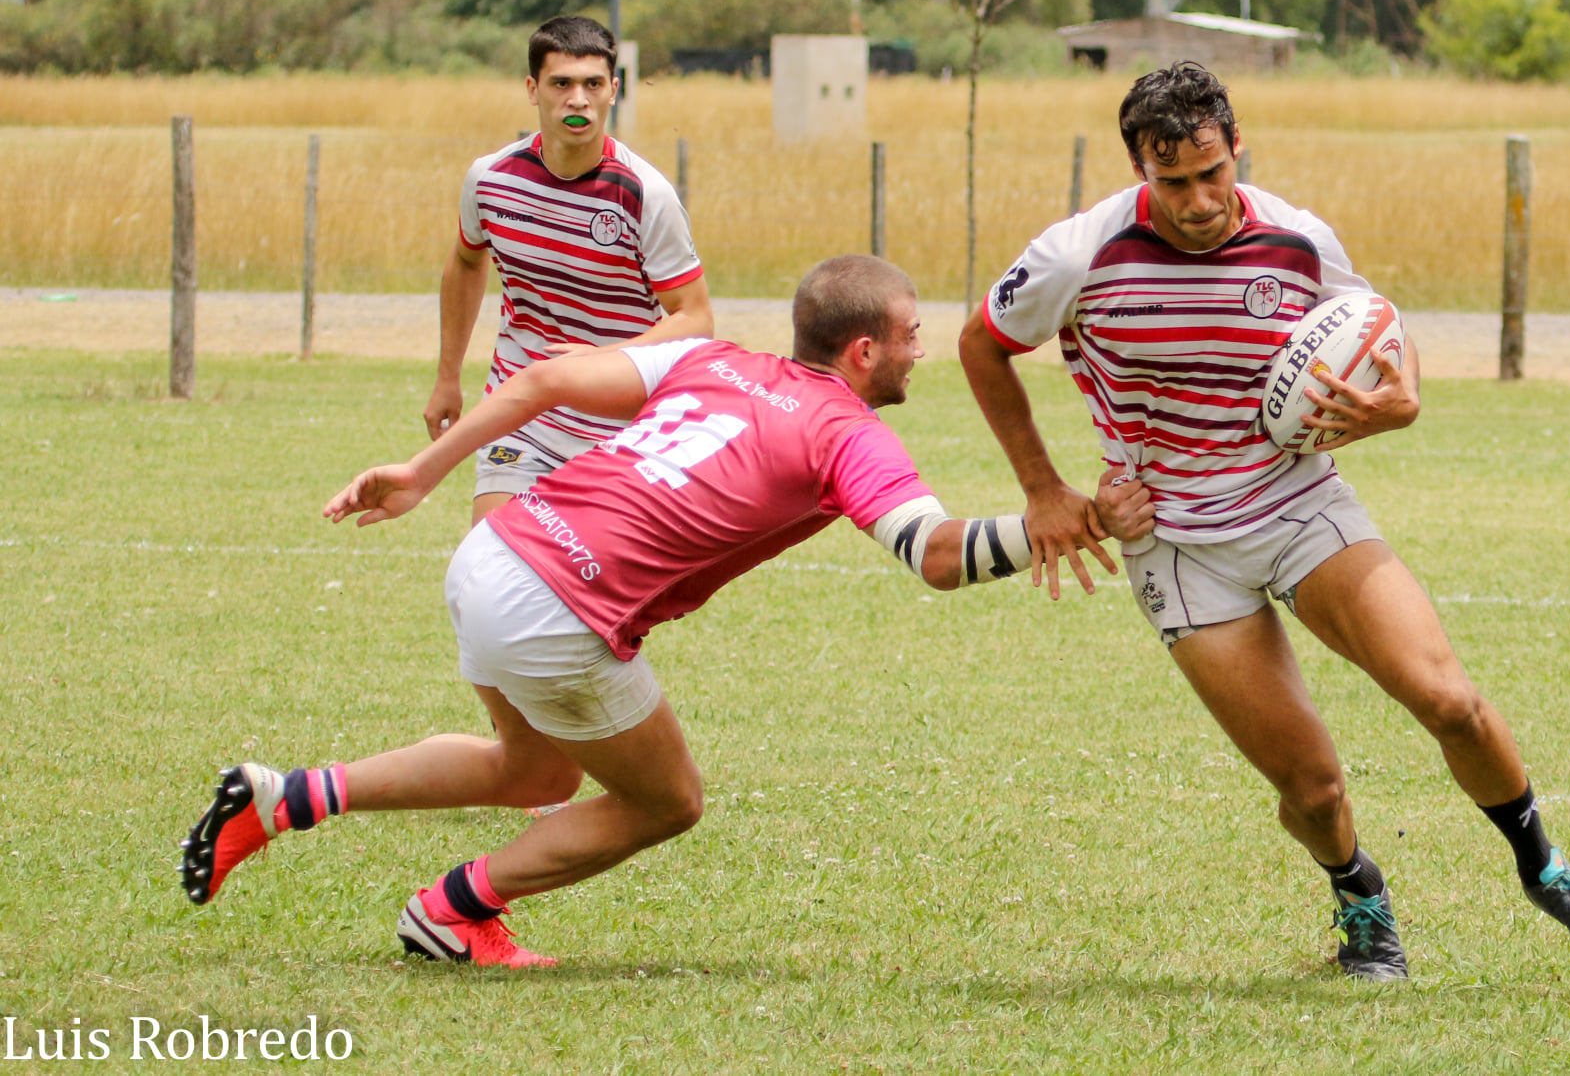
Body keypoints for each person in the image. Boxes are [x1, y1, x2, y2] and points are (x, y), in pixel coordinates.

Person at [957, 62, 1570, 981]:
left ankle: (1546, 868)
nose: (1199, 201)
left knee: (1450, 702)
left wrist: (1401, 401)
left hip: (1301, 503)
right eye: (1174, 183)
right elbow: (981, 344)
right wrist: (1045, 490)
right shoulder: (1078, 255)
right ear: (1137, 170)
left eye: (1212, 173)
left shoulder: (1296, 238)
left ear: (1236, 146)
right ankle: (1359, 897)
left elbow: (1372, 323)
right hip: (1178, 545)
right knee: (1312, 791)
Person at [178, 256, 1053, 968]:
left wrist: (425, 469)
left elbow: (548, 380)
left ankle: (282, 798)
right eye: (911, 338)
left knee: (537, 775)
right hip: (557, 607)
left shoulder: (714, 358)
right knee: (667, 800)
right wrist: (1058, 525)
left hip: (497, 550)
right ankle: (452, 911)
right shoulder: (847, 434)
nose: (919, 353)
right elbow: (938, 558)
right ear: (864, 352)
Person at [426, 14, 714, 528]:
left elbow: (694, 320)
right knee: (489, 564)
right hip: (521, 414)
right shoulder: (490, 179)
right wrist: (448, 376)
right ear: (533, 89)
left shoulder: (646, 195)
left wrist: (603, 358)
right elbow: (467, 260)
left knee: (596, 593)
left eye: (592, 84)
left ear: (613, 91)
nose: (577, 99)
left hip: (620, 425)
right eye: (561, 83)